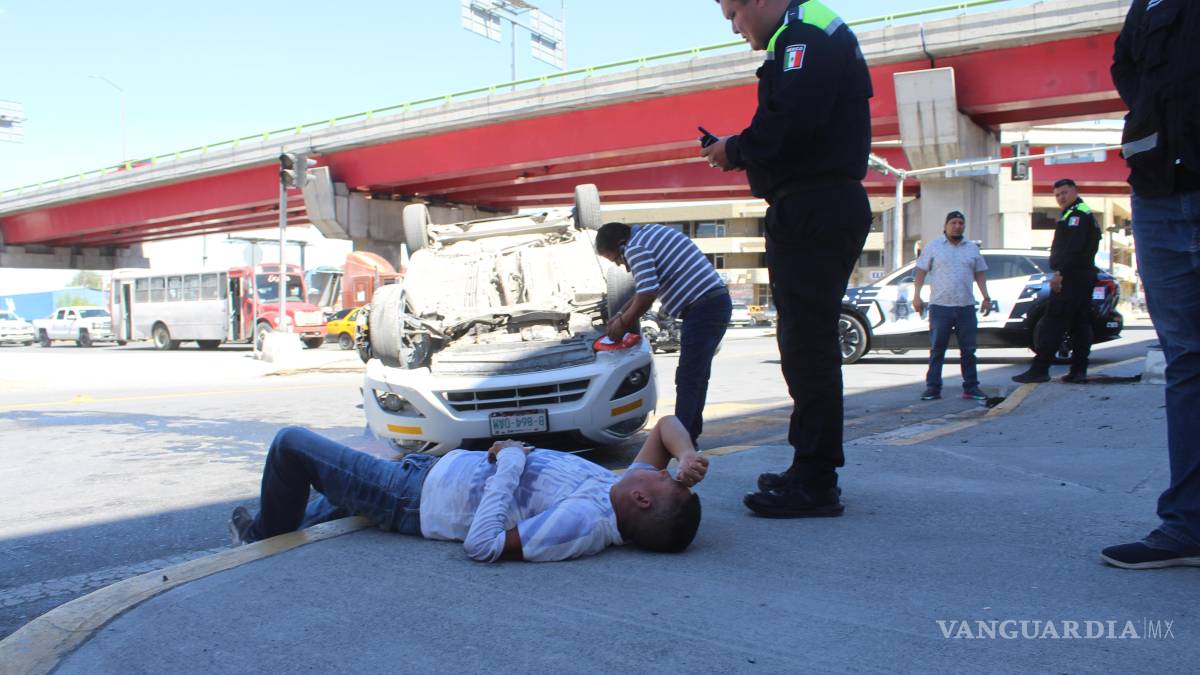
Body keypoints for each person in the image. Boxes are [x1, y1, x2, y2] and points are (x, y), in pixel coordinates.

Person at [702, 0, 873, 518]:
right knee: (803, 342)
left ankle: (817, 480)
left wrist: (736, 149)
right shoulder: (798, 36)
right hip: (813, 204)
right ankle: (809, 467)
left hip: (814, 207)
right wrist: (744, 151)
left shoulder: (805, 36)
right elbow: (796, 127)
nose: (734, 27)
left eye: (734, 13)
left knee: (808, 346)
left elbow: (791, 121)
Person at [229, 416, 706, 562]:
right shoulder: (618, 487)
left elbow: (484, 546)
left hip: (412, 498)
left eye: (663, 476)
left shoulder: (584, 521)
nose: (660, 469)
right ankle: (275, 525)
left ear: (643, 500)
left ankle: (259, 537)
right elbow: (666, 427)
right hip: (430, 474)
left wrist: (511, 462)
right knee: (337, 494)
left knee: (290, 445)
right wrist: (685, 457)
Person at [1102, 0, 1200, 570]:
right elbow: (1126, 68)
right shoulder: (1149, 4)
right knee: (1187, 362)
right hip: (1160, 190)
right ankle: (1187, 525)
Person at [595, 222, 731, 446]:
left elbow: (647, 294)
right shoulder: (649, 235)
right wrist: (620, 314)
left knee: (688, 378)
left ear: (621, 245)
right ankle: (688, 437)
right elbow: (644, 290)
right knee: (696, 376)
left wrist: (622, 324)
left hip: (704, 307)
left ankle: (681, 441)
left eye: (618, 260)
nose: (625, 267)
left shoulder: (635, 247)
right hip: (712, 303)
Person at [1011, 179, 1102, 384]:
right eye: (1057, 194)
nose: (1061, 197)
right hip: (1082, 275)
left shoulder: (1076, 215)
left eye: (1064, 192)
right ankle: (1079, 370)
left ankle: (1040, 368)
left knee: (1053, 322)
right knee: (1080, 324)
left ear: (1074, 191)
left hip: (1072, 276)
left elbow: (1073, 248)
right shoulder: (1081, 211)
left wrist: (1060, 273)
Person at [912, 211, 991, 402]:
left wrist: (986, 297)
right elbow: (921, 272)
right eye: (953, 222)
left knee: (969, 349)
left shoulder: (972, 248)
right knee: (938, 349)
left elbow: (980, 274)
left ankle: (971, 387)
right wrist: (917, 296)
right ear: (946, 226)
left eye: (961, 223)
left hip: (965, 306)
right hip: (941, 306)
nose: (957, 226)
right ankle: (933, 388)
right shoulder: (934, 247)